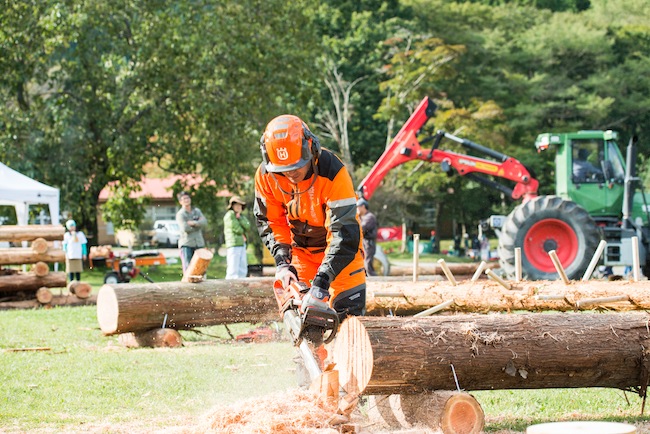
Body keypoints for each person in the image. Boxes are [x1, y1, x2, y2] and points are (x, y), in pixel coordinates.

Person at [254, 114, 366, 322]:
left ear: (311, 149)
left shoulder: (333, 172)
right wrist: (282, 262)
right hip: (302, 253)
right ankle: (309, 354)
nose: (291, 174)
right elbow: (272, 221)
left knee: (349, 319)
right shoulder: (265, 176)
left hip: (341, 256)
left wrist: (322, 281)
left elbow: (343, 232)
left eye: (296, 166)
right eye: (283, 170)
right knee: (306, 322)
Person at [175, 191, 208, 272]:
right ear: (180, 201)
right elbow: (185, 228)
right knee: (188, 268)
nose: (186, 200)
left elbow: (204, 223)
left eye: (188, 198)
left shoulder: (197, 211)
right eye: (184, 199)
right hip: (187, 244)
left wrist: (193, 223)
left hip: (199, 243)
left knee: (201, 268)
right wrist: (198, 225)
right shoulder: (180, 214)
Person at [223, 195, 251, 279]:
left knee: (242, 268)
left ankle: (241, 287)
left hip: (242, 243)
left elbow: (248, 226)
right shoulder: (229, 215)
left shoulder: (241, 216)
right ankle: (230, 288)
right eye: (236, 205)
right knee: (233, 268)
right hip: (233, 244)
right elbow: (237, 229)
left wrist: (240, 219)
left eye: (240, 205)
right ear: (232, 206)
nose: (238, 207)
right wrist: (242, 228)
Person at [356, 198, 377, 276]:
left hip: (369, 243)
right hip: (364, 243)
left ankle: (376, 280)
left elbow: (362, 228)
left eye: (358, 207)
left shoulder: (369, 217)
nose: (357, 209)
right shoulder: (362, 217)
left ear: (363, 206)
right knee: (363, 264)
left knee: (368, 264)